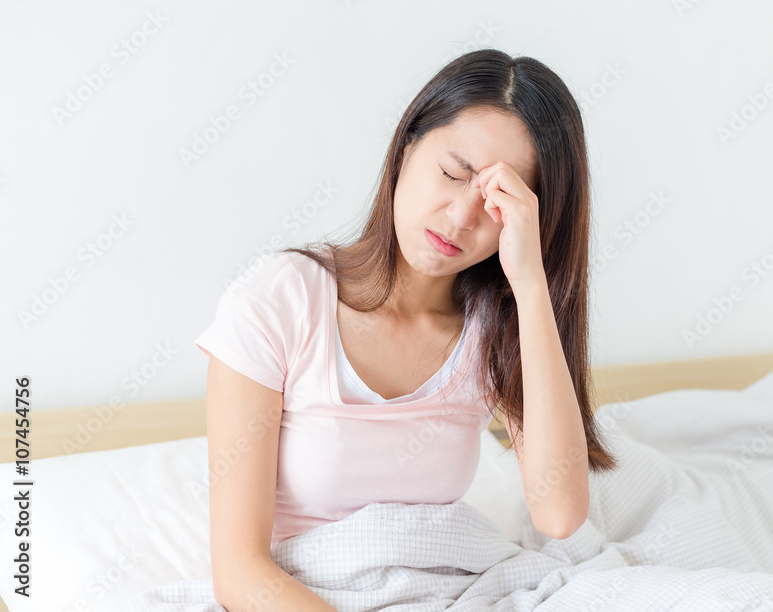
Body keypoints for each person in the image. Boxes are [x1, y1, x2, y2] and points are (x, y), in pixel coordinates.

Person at [195, 48, 619, 611]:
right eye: (452, 174)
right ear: (407, 147)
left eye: (497, 203)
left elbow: (559, 514)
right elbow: (238, 573)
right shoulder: (281, 297)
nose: (461, 217)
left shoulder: (493, 328)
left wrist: (531, 284)